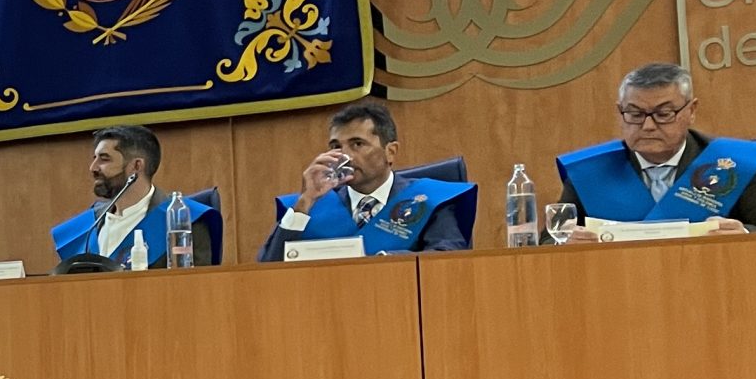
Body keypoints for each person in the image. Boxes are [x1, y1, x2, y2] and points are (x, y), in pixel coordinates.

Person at [553, 62, 756, 237]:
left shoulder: (736, 165)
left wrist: (744, 233)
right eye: (635, 114)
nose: (647, 126)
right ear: (620, 111)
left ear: (691, 111)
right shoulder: (591, 172)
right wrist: (567, 241)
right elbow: (548, 239)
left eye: (663, 114)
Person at [258, 103, 474, 260]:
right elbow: (268, 270)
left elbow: (448, 260)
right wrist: (304, 202)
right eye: (336, 147)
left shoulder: (428, 199)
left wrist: (383, 260)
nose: (344, 157)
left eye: (357, 144)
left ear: (390, 151)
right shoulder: (308, 208)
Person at [50, 124, 208, 268]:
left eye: (104, 159)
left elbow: (196, 287)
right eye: (94, 158)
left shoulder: (185, 222)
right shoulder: (89, 226)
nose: (93, 168)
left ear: (136, 166)